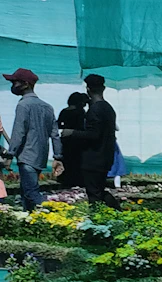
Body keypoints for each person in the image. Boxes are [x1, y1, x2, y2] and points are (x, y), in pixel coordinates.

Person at [1, 67, 62, 210]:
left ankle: (53, 213)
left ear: (25, 84)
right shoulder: (48, 107)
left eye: (15, 82)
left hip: (27, 156)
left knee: (31, 192)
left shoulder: (23, 105)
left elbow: (19, 132)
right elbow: (55, 134)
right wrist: (58, 156)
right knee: (25, 193)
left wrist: (10, 154)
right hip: (40, 156)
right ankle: (30, 223)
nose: (13, 86)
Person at [70, 73, 120, 209]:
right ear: (103, 88)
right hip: (105, 157)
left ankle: (99, 218)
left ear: (88, 89)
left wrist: (72, 133)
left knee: (94, 194)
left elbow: (93, 134)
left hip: (93, 159)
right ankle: (113, 210)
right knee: (98, 189)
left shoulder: (95, 109)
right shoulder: (108, 108)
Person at [56, 91, 89, 189]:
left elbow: (58, 124)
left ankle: (65, 180)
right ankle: (78, 180)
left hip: (65, 139)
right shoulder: (80, 112)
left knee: (67, 159)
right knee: (77, 161)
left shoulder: (64, 111)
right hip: (77, 140)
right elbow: (81, 127)